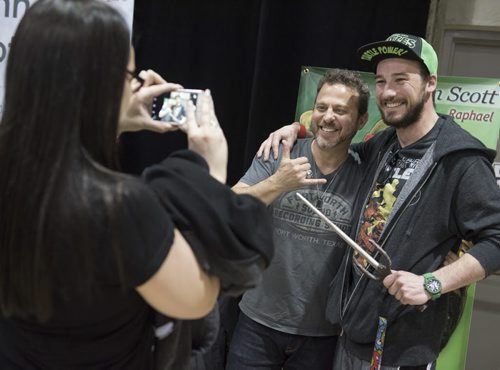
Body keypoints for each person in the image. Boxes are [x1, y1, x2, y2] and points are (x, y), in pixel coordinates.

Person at [0, 1, 273, 368]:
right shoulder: (119, 207)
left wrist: (115, 119)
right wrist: (207, 173)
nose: (137, 85)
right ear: (97, 88)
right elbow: (195, 299)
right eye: (129, 77)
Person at [256, 33, 500, 369]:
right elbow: (334, 143)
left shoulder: (461, 159)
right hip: (353, 331)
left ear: (431, 83)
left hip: (404, 344)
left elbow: (497, 239)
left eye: (402, 80)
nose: (388, 92)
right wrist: (296, 129)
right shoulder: (384, 144)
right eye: (382, 81)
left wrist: (432, 284)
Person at [226, 69, 370, 369]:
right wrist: (278, 182)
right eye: (322, 107)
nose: (328, 117)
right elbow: (229, 209)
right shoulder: (281, 152)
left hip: (323, 335)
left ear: (361, 121)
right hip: (257, 322)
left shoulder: (367, 172)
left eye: (340, 110)